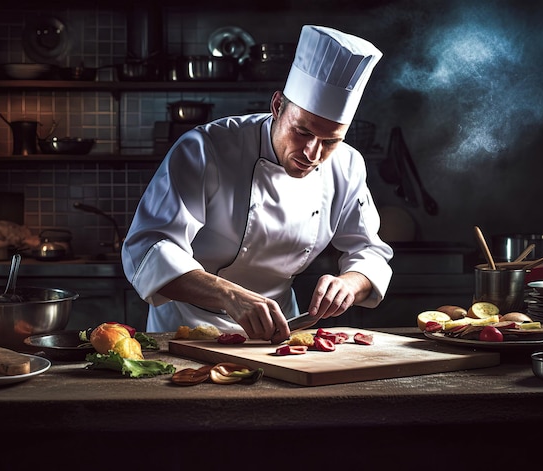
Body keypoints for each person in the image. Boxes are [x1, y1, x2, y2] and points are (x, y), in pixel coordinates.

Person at [121, 25, 393, 344]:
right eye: (302, 132)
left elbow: (368, 250)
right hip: (188, 329)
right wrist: (229, 296)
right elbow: (148, 249)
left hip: (279, 330)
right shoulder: (205, 148)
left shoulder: (347, 164)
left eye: (330, 140)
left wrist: (350, 283)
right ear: (277, 106)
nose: (313, 153)